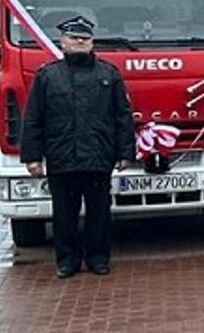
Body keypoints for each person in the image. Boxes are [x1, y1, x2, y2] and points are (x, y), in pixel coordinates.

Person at [19, 16, 134, 279]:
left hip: (98, 156)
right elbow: (33, 118)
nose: (80, 42)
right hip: (62, 157)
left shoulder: (108, 74)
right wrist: (32, 157)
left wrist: (126, 153)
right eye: (74, 38)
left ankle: (98, 259)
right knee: (63, 216)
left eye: (85, 39)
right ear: (63, 43)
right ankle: (67, 261)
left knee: (99, 215)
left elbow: (122, 116)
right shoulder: (48, 76)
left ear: (92, 43)